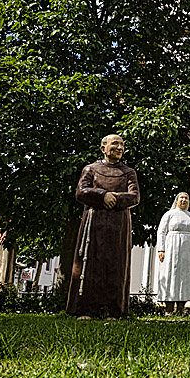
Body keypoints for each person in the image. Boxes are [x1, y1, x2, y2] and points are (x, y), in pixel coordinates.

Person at [66, 134, 141, 319]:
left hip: (119, 226)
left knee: (115, 265)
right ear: (103, 148)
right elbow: (81, 192)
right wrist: (102, 195)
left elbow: (134, 197)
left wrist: (113, 198)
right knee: (90, 264)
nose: (120, 148)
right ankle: (85, 310)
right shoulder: (91, 169)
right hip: (94, 224)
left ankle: (113, 310)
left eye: (122, 144)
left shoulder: (129, 172)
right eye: (115, 144)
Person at [155, 192, 190, 315]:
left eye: (186, 198)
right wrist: (161, 249)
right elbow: (161, 232)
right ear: (177, 200)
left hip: (188, 251)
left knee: (185, 277)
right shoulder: (169, 215)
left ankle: (181, 308)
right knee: (171, 275)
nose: (184, 200)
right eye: (182, 198)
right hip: (171, 249)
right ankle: (169, 308)